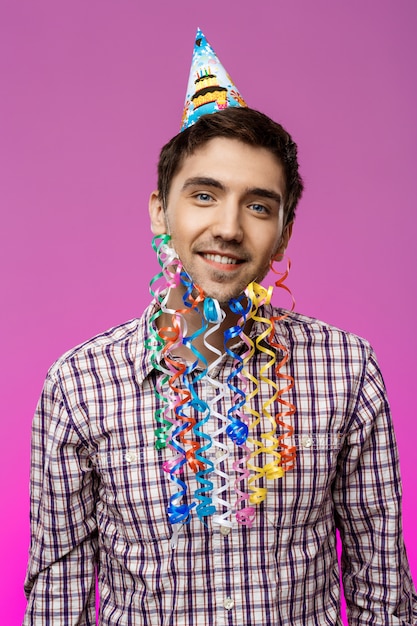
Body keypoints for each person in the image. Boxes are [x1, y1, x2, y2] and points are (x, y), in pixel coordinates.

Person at [24, 30, 417, 626]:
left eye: (258, 205)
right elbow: (57, 601)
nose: (229, 227)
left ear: (283, 231)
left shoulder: (349, 369)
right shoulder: (78, 385)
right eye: (204, 195)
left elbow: (383, 590)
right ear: (161, 210)